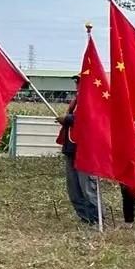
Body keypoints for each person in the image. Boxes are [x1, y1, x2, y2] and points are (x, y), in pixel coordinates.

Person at [56, 86, 100, 225]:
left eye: (81, 82)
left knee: (87, 187)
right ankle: (84, 216)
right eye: (76, 82)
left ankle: (96, 218)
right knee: (73, 188)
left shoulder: (94, 100)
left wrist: (68, 118)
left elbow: (89, 118)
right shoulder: (75, 101)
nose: (78, 85)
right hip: (71, 148)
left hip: (85, 150)